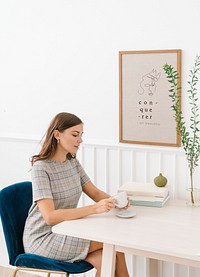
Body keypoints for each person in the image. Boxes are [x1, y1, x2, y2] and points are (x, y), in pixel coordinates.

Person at [23, 112, 129, 277]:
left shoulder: (72, 161)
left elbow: (94, 192)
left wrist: (116, 202)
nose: (80, 140)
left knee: (112, 257)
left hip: (67, 230)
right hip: (44, 238)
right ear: (57, 134)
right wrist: (94, 209)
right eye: (75, 134)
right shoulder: (41, 168)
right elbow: (50, 217)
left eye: (81, 135)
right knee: (114, 244)